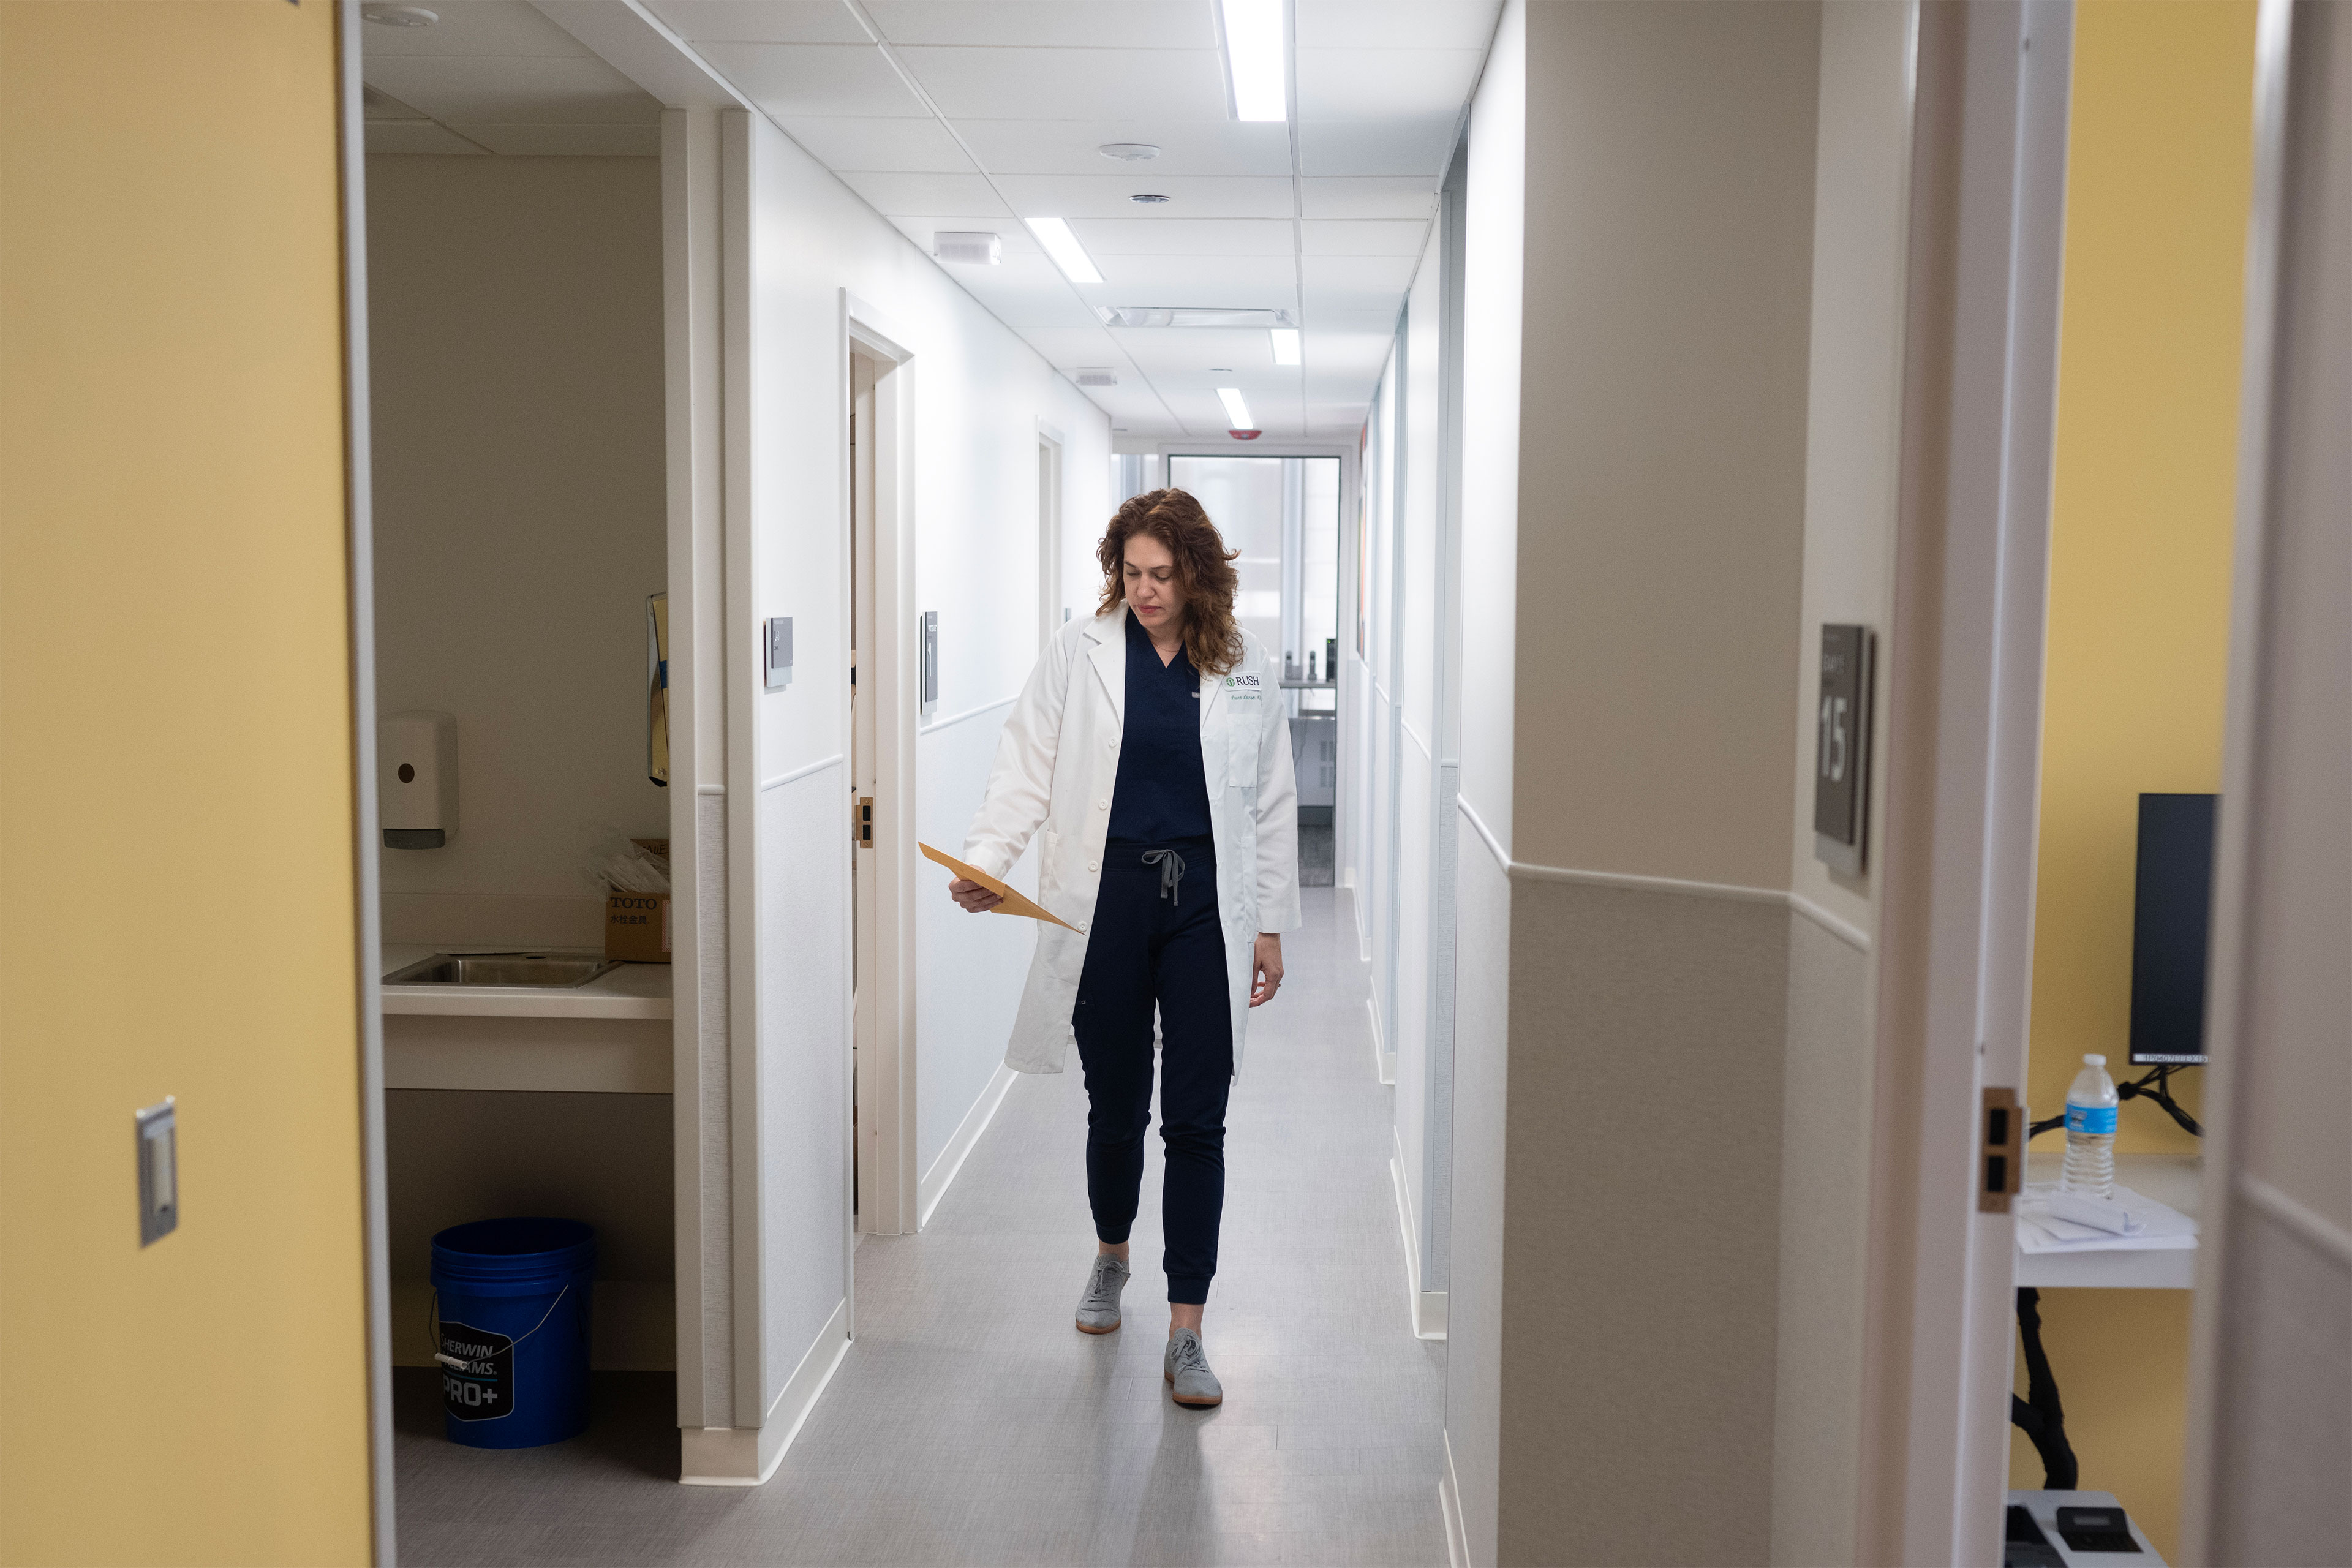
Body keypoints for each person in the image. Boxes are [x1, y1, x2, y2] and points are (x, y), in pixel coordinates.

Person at [952, 487, 1300, 1409]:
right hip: (1104, 903)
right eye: (1130, 573)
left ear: (1197, 574)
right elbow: (1025, 764)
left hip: (1202, 910)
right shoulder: (1080, 651)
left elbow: (1268, 801)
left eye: (1160, 575)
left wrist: (1268, 924)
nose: (1143, 591)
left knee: (1196, 1118)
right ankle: (1112, 1255)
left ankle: (1188, 1330)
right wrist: (990, 862)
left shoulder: (1243, 664)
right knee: (1117, 1107)